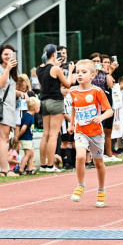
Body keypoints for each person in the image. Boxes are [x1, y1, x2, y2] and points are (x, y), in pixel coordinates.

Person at [66, 59, 113, 207]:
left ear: (92, 75)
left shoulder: (97, 91)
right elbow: (74, 107)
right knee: (80, 157)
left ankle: (101, 190)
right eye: (77, 72)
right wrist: (72, 123)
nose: (79, 75)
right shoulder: (73, 91)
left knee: (98, 162)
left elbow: (110, 111)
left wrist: (101, 117)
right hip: (81, 131)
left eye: (83, 72)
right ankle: (80, 185)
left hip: (96, 133)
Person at [37, 44, 74, 172]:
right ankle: (50, 165)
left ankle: (43, 165)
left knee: (45, 134)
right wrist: (70, 71)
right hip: (56, 101)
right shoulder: (56, 69)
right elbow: (68, 84)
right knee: (53, 135)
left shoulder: (39, 69)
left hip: (44, 101)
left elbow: (45, 84)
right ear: (54, 55)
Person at [0, 44, 19, 176]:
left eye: (10, 54)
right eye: (5, 54)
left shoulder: (11, 70)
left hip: (8, 107)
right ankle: (5, 170)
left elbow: (9, 88)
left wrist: (20, 93)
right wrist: (7, 68)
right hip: (1, 106)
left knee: (0, 140)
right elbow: (0, 84)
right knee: (3, 139)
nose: (8, 57)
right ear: (0, 55)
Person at [15, 97, 40, 175]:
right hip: (25, 138)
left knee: (31, 153)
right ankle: (21, 169)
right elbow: (23, 129)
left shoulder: (31, 116)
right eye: (39, 107)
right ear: (35, 108)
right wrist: (18, 137)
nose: (39, 108)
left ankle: (29, 169)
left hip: (29, 138)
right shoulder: (28, 116)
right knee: (28, 153)